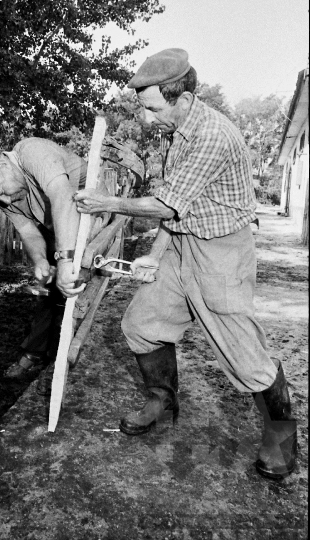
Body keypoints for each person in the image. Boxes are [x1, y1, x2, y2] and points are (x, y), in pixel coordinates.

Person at [75, 48, 297, 479]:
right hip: (181, 244)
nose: (146, 119)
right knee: (141, 323)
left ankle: (283, 443)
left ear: (183, 98)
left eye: (152, 108)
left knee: (247, 358)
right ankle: (162, 403)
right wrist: (154, 256)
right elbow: (178, 209)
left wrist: (109, 202)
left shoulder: (213, 135)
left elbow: (164, 203)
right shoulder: (178, 131)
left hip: (221, 253)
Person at [0, 137, 88, 394]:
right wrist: (42, 260)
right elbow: (28, 232)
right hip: (61, 223)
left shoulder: (33, 152)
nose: (5, 202)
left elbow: (63, 198)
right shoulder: (7, 194)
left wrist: (65, 259)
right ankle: (36, 352)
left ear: (3, 163)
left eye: (0, 192)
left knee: (77, 289)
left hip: (90, 212)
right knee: (48, 287)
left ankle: (71, 362)